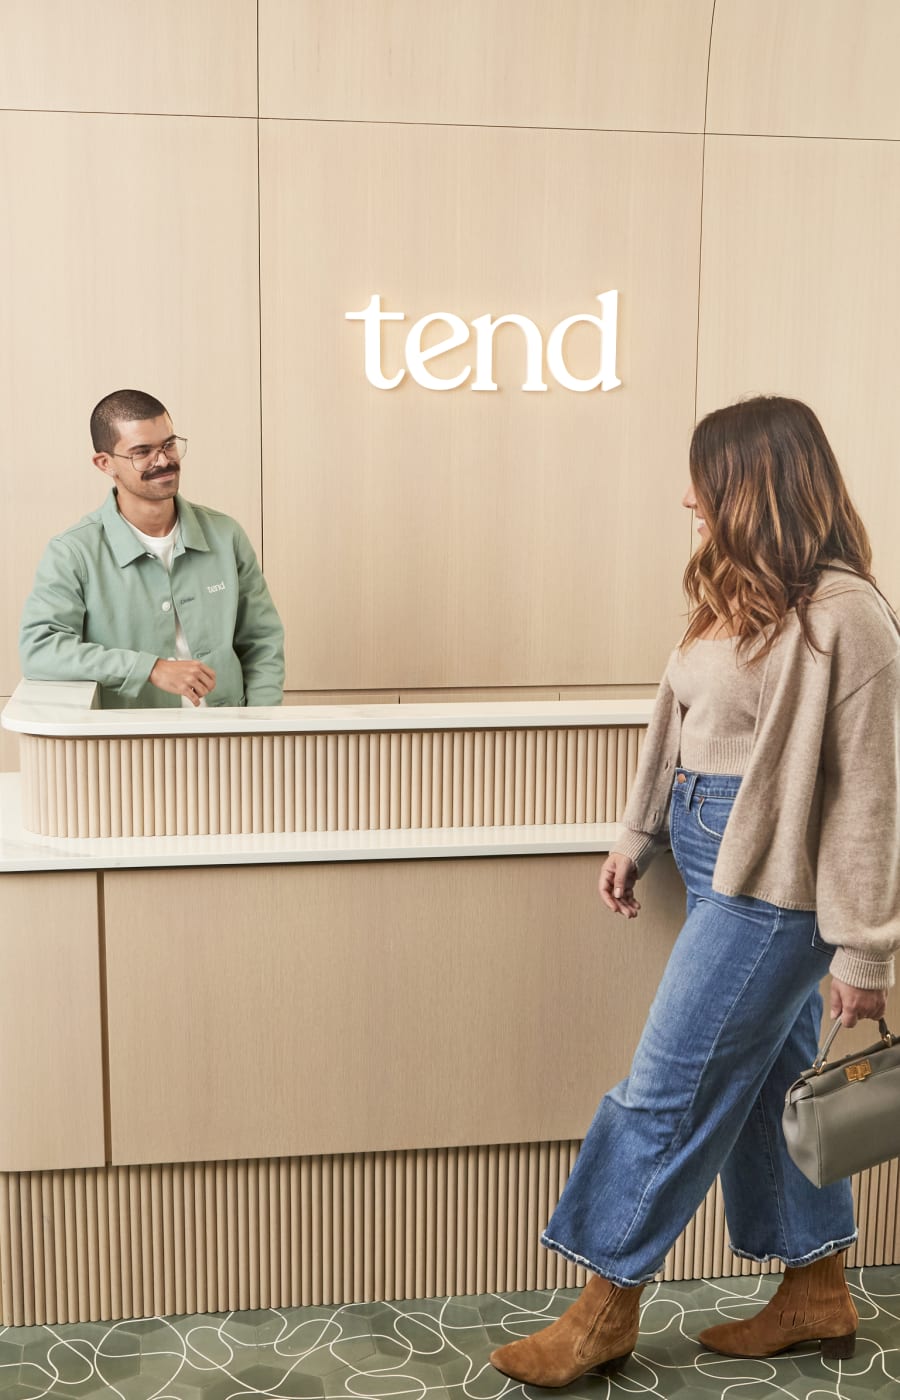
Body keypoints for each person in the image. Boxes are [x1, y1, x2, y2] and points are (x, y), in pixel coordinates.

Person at [490, 395, 900, 1387]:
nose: (686, 497)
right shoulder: (735, 592)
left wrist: (866, 951)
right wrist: (638, 832)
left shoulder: (850, 616)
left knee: (663, 1093)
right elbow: (675, 723)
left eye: (702, 479)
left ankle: (603, 1308)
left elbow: (874, 796)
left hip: (777, 885)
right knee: (765, 1091)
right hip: (710, 853)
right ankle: (815, 1290)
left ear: (754, 484)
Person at [20, 389, 284, 709]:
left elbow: (262, 643)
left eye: (168, 444)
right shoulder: (73, 551)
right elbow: (41, 650)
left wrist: (260, 726)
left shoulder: (226, 535)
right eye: (142, 451)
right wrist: (150, 668)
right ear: (105, 463)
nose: (164, 461)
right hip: (133, 744)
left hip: (228, 738)